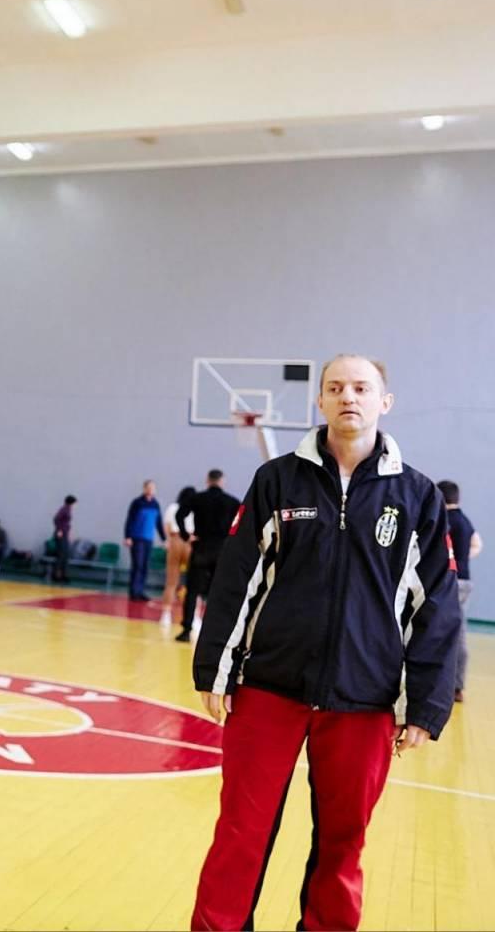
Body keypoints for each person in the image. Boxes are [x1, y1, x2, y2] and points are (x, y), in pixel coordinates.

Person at [189, 355, 459, 931]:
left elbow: (434, 607)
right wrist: (216, 666)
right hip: (268, 691)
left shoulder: (417, 497)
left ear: (385, 401)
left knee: (343, 844)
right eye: (335, 387)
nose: (348, 397)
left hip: (364, 701)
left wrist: (428, 703)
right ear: (320, 401)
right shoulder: (278, 479)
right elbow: (238, 577)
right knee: (240, 832)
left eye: (362, 388)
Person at [174, 471, 239, 642]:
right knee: (217, 592)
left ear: (208, 481)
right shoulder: (232, 502)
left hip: (201, 548)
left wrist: (186, 535)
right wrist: (232, 541)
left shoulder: (198, 498)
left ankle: (187, 629)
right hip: (221, 551)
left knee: (192, 591)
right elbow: (242, 522)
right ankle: (215, 631)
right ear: (222, 482)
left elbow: (179, 514)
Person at [438, 479, 482, 702]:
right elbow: (477, 543)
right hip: (465, 580)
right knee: (460, 632)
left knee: (439, 631)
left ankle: (440, 685)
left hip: (449, 581)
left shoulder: (443, 519)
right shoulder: (465, 521)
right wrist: (463, 558)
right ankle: (457, 686)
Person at [123, 480, 164, 601]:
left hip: (148, 539)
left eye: (153, 487)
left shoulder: (156, 504)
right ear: (144, 488)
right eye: (149, 487)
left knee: (145, 566)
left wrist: (164, 538)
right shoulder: (137, 503)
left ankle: (140, 591)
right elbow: (129, 520)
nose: (151, 490)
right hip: (137, 538)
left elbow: (158, 522)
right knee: (138, 565)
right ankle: (133, 592)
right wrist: (128, 536)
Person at [161, 486, 196, 627]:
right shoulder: (194, 509)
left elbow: (167, 527)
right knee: (194, 583)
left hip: (175, 540)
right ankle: (194, 616)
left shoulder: (173, 507)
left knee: (171, 582)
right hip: (189, 542)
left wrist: (168, 540)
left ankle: (166, 615)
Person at [50, 495, 76, 584]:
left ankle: (64, 575)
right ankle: (56, 575)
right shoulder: (64, 509)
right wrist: (59, 530)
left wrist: (69, 534)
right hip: (61, 534)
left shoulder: (68, 509)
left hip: (65, 534)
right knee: (61, 555)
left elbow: (66, 524)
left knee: (65, 555)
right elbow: (56, 519)